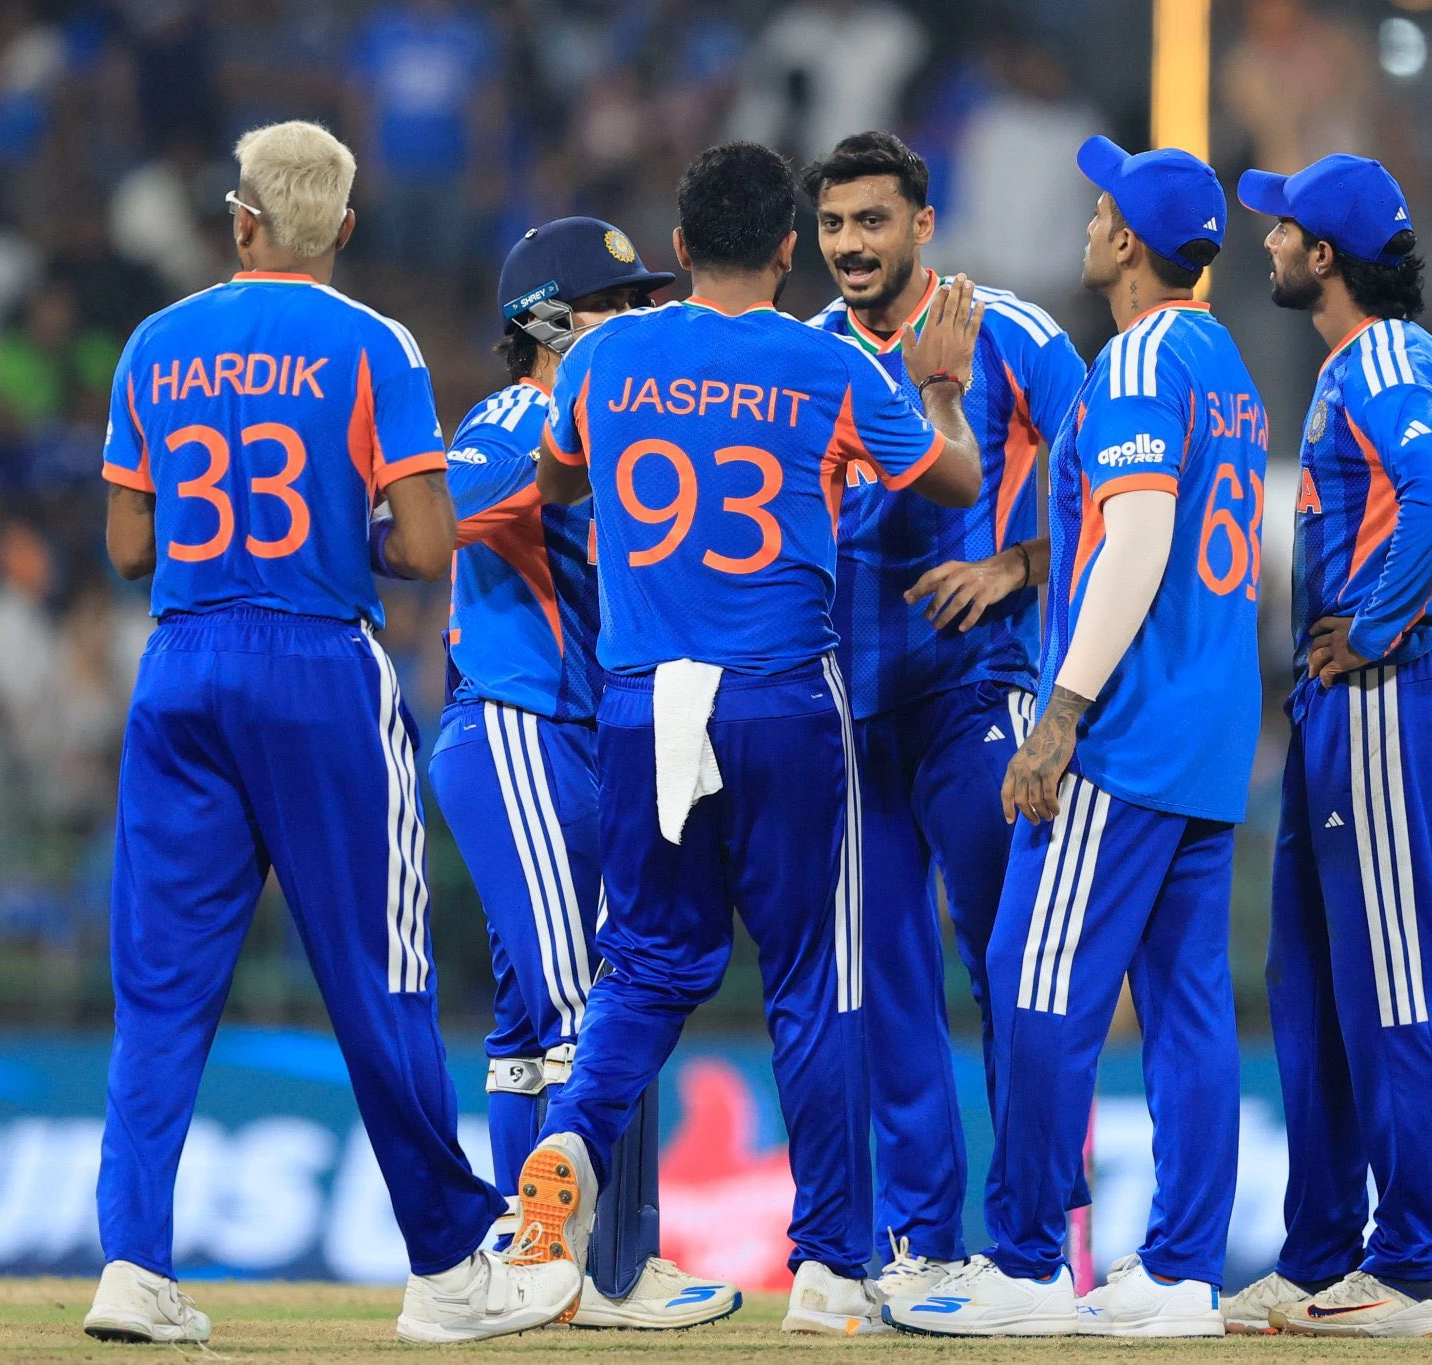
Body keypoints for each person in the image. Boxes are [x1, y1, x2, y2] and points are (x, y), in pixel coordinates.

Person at [85, 120, 580, 1346]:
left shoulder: (154, 341)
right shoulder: (373, 343)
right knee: (381, 976)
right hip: (316, 664)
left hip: (181, 662)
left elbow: (129, 545)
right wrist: (328, 532)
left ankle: (132, 1267)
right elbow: (426, 542)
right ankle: (448, 1272)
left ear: (239, 219)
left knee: (160, 987)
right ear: (345, 228)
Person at [509, 141, 985, 1336]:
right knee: (812, 978)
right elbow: (951, 483)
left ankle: (569, 1144)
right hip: (780, 698)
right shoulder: (826, 363)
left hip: (642, 700)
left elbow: (554, 481)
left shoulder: (603, 355)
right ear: (787, 247)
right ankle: (825, 1269)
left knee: (646, 964)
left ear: (677, 248)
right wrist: (938, 391)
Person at [888, 138, 1265, 1340]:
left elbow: (1136, 543)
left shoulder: (1140, 357)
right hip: (1208, 726)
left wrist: (1059, 714)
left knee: (1032, 979)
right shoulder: (1220, 361)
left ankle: (1027, 1264)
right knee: (1187, 1005)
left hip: (1126, 730)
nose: (1089, 224)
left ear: (1130, 244)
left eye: (1103, 212)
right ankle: (1182, 1272)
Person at [427, 215, 736, 1329]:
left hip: (566, 735)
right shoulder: (517, 415)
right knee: (589, 1005)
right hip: (522, 723)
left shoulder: (611, 414)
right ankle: (600, 1271)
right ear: (549, 322)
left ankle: (544, 1262)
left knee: (530, 1027)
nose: (643, 314)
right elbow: (434, 514)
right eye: (619, 302)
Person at [798, 130, 1084, 1300]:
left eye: (871, 221)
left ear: (923, 224)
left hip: (974, 690)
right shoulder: (805, 355)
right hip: (849, 708)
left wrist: (1015, 566)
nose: (850, 245)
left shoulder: (1014, 336)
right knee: (886, 984)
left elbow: (1128, 492)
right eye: (831, 225)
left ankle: (1035, 1244)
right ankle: (922, 1244)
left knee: (1012, 967)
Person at [1225, 153, 1432, 1338]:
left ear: (1324, 255)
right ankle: (1322, 1255)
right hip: (1346, 704)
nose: (1268, 241)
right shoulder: (1368, 363)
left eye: (1283, 228)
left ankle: (1412, 1265)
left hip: (1379, 691)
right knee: (1313, 983)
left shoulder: (1377, 360)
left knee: (1387, 980)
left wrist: (1374, 626)